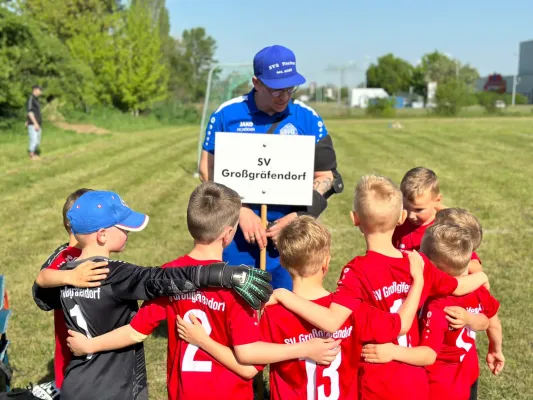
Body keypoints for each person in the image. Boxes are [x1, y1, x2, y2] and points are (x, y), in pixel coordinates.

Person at [65, 183, 339, 400]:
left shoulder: (168, 277)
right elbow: (247, 367)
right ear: (229, 234)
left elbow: (136, 331)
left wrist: (91, 345)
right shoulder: (238, 287)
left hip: (183, 392)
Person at [268, 174, 490, 400]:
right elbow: (457, 287)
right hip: (414, 379)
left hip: (378, 380)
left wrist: (284, 295)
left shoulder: (357, 271)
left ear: (355, 219)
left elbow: (332, 321)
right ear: (402, 216)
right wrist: (481, 276)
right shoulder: (417, 262)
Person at [35, 189, 272, 400]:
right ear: (228, 234)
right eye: (123, 227)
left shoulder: (65, 270)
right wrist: (225, 275)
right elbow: (161, 281)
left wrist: (65, 277)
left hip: (78, 381)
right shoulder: (120, 274)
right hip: (117, 386)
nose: (128, 231)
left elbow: (40, 288)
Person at [177, 216, 426, 400]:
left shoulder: (273, 314)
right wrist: (418, 282)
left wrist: (205, 341)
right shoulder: (352, 309)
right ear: (327, 262)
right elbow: (401, 326)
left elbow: (246, 364)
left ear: (284, 263)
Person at [198, 44, 343, 290]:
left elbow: (326, 176)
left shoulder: (307, 118)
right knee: (237, 305)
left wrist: (298, 217)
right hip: (235, 233)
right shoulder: (227, 114)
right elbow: (206, 171)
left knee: (286, 311)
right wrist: (240, 211)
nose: (284, 96)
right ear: (256, 82)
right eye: (276, 90)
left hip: (290, 235)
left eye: (290, 88)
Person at [362, 223, 502, 400]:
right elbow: (487, 321)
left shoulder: (437, 306)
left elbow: (428, 355)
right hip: (464, 374)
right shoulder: (478, 290)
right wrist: (470, 318)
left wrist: (392, 351)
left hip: (438, 383)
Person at [32, 188, 111, 391]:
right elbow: (40, 290)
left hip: (80, 357)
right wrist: (69, 277)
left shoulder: (65, 256)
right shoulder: (72, 258)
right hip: (84, 358)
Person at [392, 167, 482, 273]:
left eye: (419, 209)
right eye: (405, 206)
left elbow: (476, 267)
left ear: (437, 200)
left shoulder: (445, 227)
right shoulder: (397, 222)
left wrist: (444, 265)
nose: (411, 215)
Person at [26, 84, 43, 160]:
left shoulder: (36, 99)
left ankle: (35, 154)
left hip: (38, 124)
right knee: (34, 140)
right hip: (33, 124)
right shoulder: (31, 99)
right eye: (40, 90)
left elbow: (34, 112)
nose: (41, 91)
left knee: (37, 141)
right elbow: (29, 112)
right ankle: (32, 156)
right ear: (35, 90)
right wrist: (35, 123)